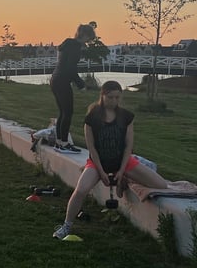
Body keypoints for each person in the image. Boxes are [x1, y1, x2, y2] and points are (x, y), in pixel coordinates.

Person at [53, 80, 169, 239]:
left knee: (161, 184)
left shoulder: (126, 116)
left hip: (123, 161)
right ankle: (66, 226)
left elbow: (129, 146)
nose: (114, 101)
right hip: (97, 162)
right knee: (80, 190)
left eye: (117, 97)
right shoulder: (92, 117)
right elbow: (92, 148)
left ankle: (126, 179)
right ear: (102, 95)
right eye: (111, 97)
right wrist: (101, 173)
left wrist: (121, 172)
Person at [49, 23, 97, 153]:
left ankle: (59, 142)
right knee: (68, 113)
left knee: (62, 113)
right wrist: (81, 84)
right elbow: (71, 68)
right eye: (89, 38)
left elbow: (66, 65)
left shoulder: (67, 44)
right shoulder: (75, 47)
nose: (89, 41)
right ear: (85, 35)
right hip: (63, 81)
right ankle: (64, 143)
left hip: (55, 79)